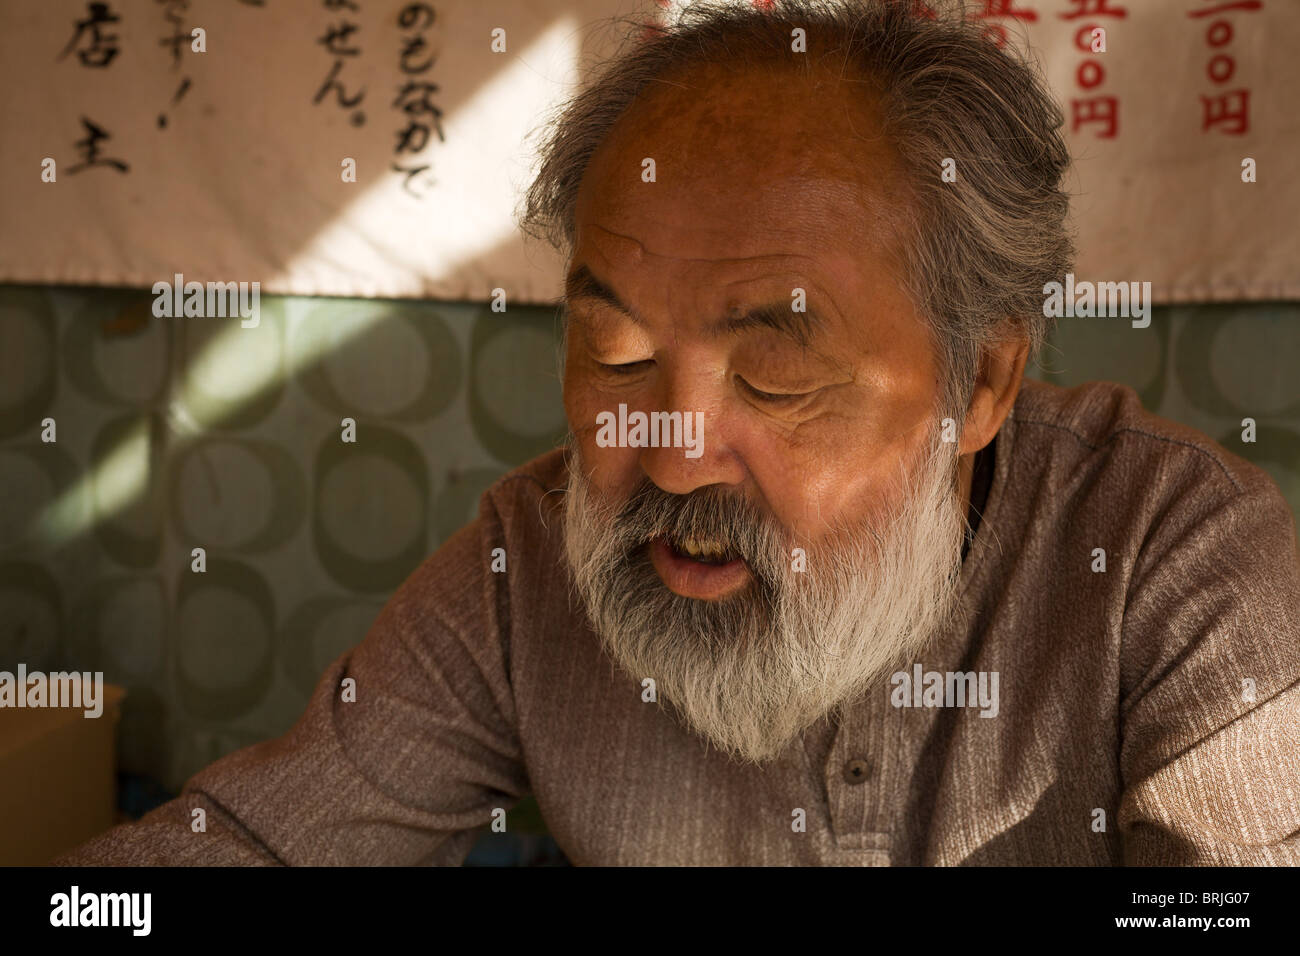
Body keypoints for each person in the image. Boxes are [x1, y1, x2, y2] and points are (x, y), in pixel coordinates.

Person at [59, 0, 1300, 866]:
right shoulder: (530, 565)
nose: (667, 451)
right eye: (617, 355)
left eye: (772, 373)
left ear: (978, 384)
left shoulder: (1170, 558)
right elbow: (264, 846)